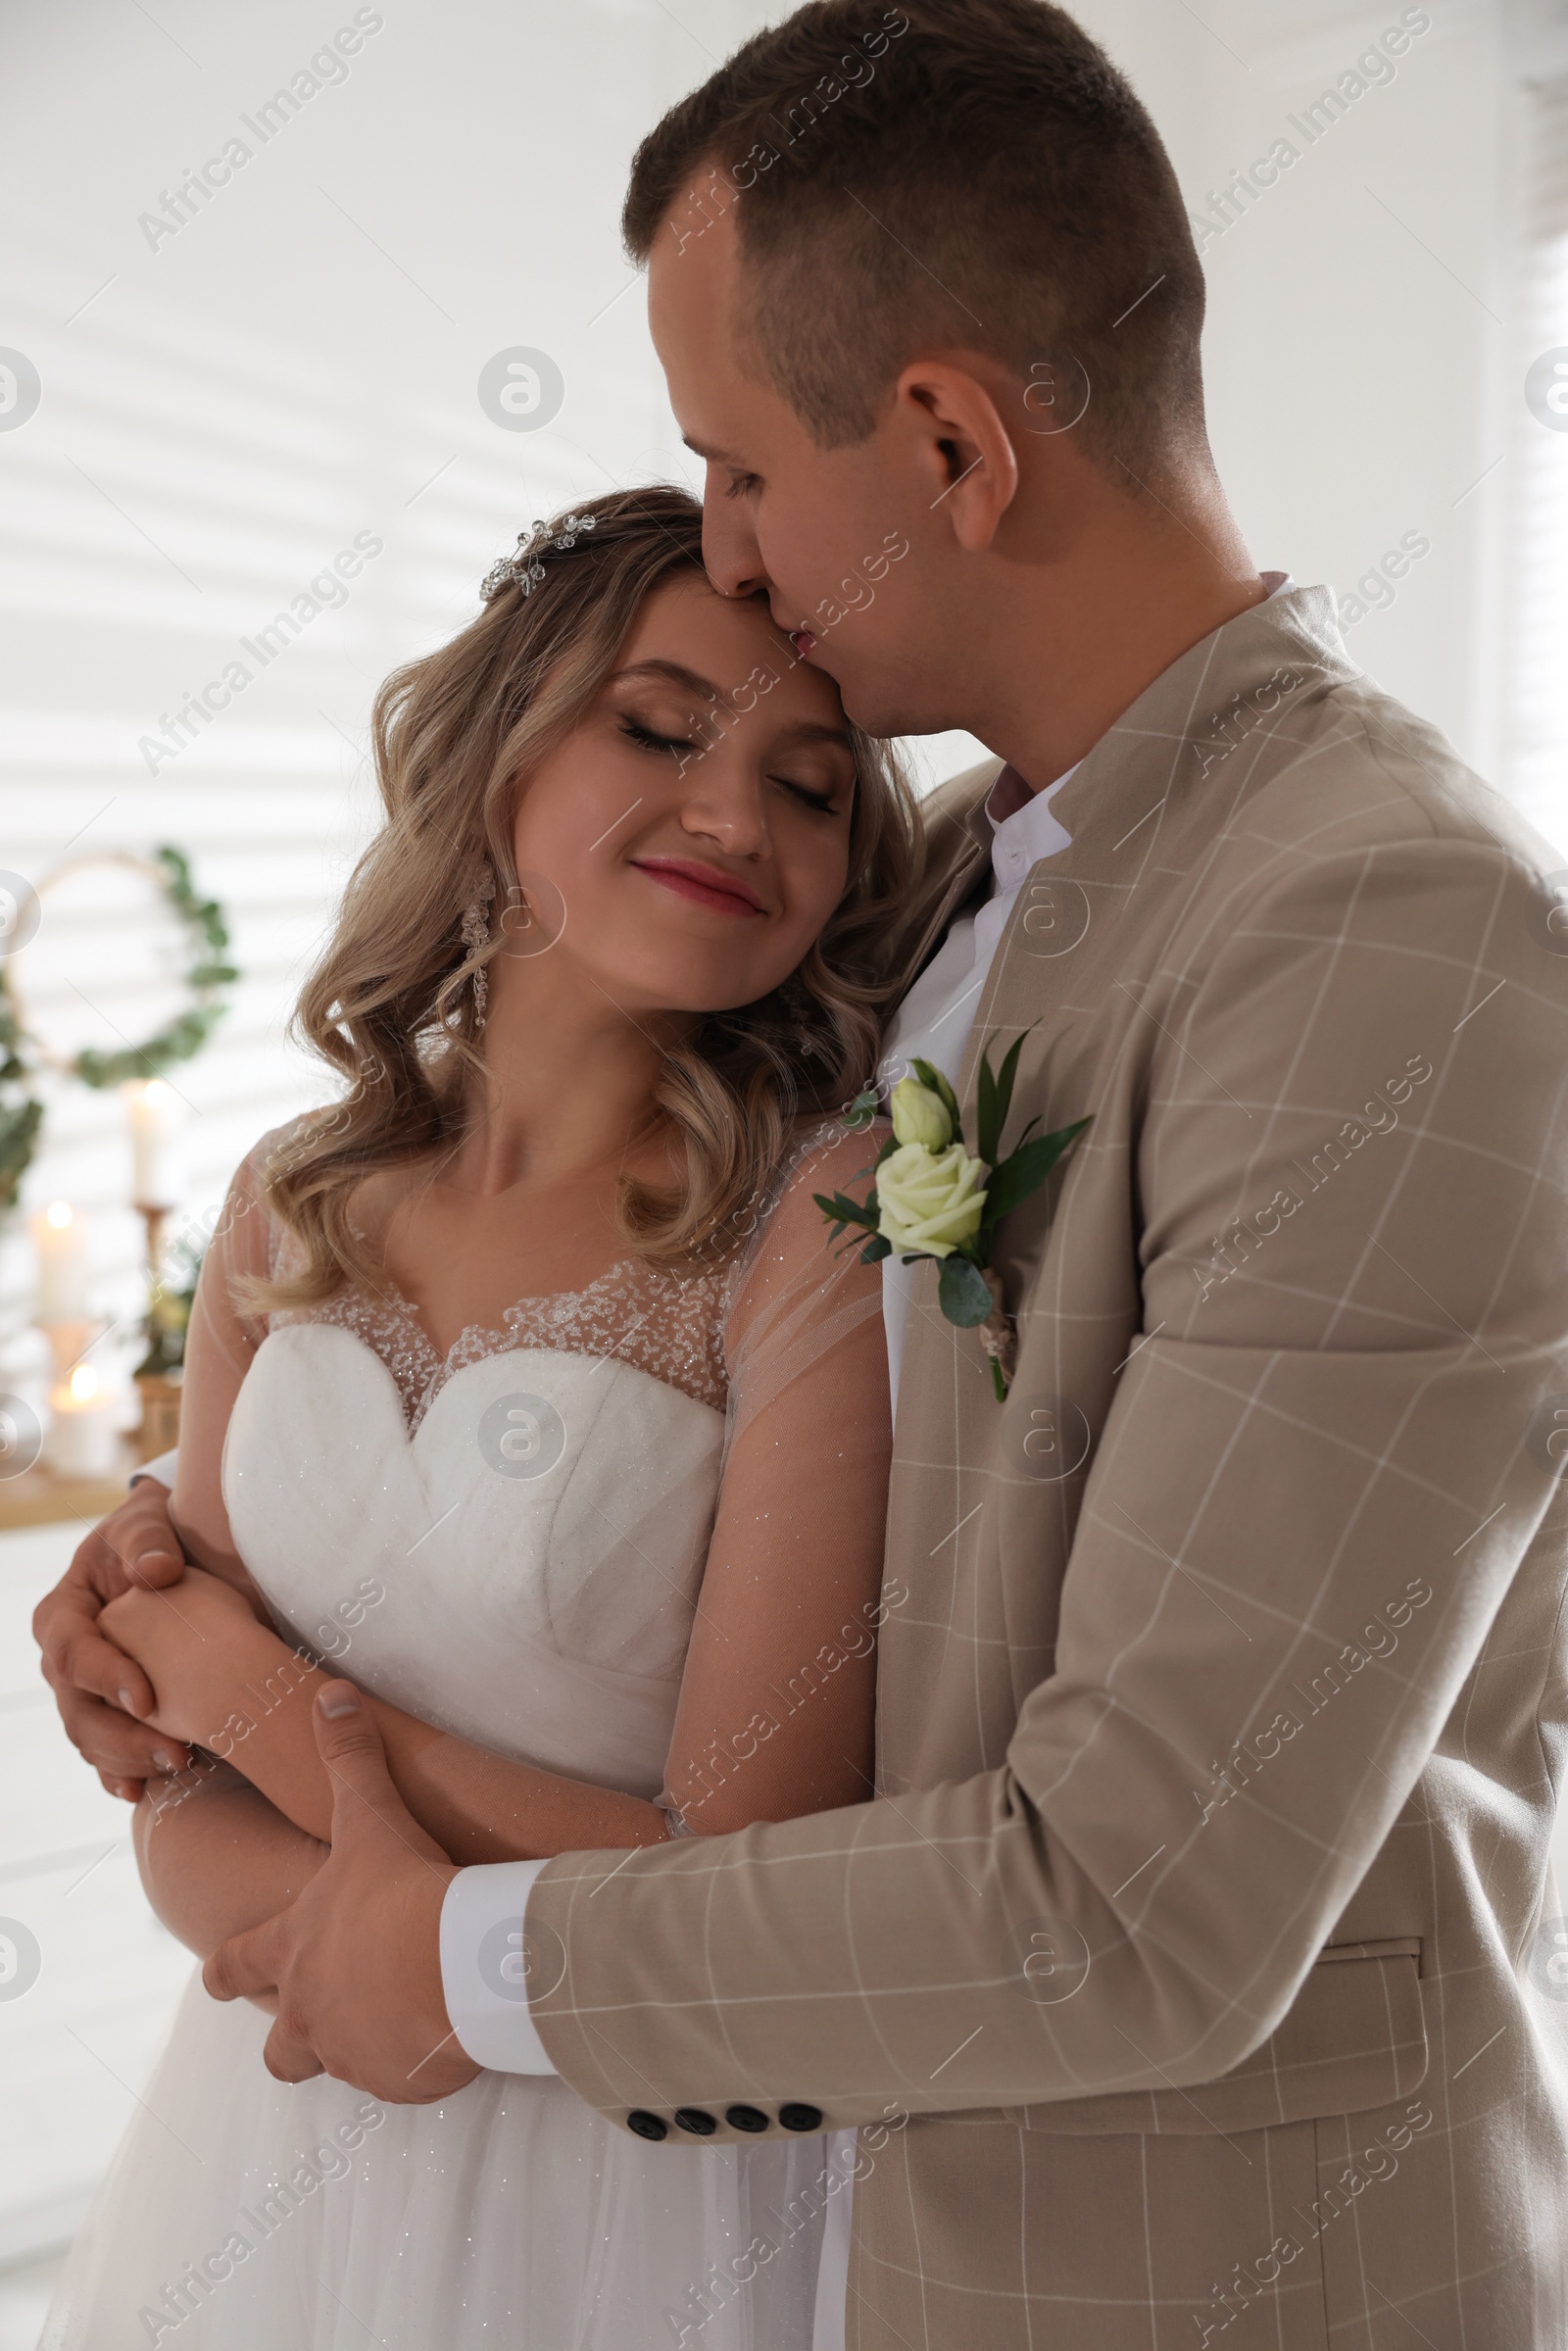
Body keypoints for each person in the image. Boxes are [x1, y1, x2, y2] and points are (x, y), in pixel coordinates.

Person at [37, 3, 1568, 2346]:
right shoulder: (936, 892)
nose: (734, 551)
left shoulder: (1384, 926)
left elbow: (1130, 1905)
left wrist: (383, 1868)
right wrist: (154, 1596)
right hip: (799, 2225)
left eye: (734, 467)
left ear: (945, 439)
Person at [35, 483, 928, 2349]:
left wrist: (245, 1693)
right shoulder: (297, 1198)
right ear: (507, 740)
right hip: (278, 2143)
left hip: (650, 2187)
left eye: (811, 783)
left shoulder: (812, 1235)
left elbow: (739, 1889)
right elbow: (159, 1776)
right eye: (663, 727)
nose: (731, 815)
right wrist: (329, 1949)